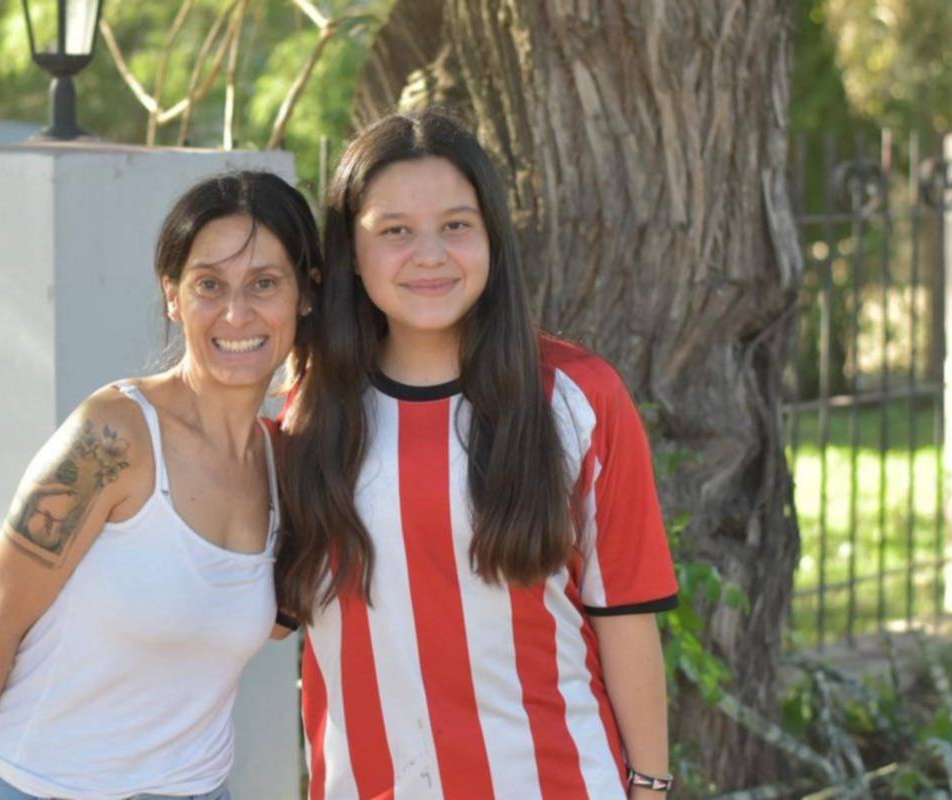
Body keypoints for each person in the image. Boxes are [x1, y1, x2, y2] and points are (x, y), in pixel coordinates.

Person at [275, 111, 679, 799]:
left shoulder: (578, 397)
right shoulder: (303, 416)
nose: (429, 254)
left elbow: (625, 616)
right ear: (351, 251)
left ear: (493, 237)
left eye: (456, 225)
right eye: (395, 231)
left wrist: (649, 788)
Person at [0, 170, 320, 800]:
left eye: (264, 283)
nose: (236, 312)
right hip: (35, 787)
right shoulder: (113, 436)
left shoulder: (285, 465)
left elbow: (269, 621)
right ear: (172, 296)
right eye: (209, 284)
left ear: (305, 294)